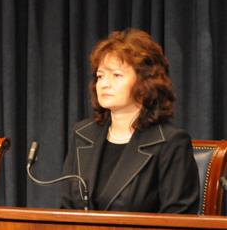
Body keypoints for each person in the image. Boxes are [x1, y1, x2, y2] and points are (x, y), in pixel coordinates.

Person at [61, 28, 199, 213]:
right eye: (100, 76)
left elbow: (177, 222)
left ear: (145, 82)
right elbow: (66, 210)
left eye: (116, 75)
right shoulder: (83, 134)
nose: (104, 84)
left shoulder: (170, 143)